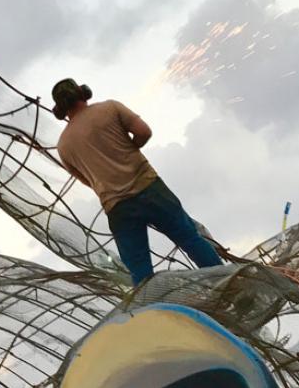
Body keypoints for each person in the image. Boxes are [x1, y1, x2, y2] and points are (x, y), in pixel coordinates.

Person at [52, 77, 224, 285]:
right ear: (82, 92)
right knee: (190, 239)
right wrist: (130, 149)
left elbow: (88, 181)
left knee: (140, 271)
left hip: (118, 208)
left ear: (60, 109)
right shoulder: (110, 108)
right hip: (150, 187)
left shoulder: (63, 145)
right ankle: (231, 288)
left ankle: (155, 312)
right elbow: (144, 132)